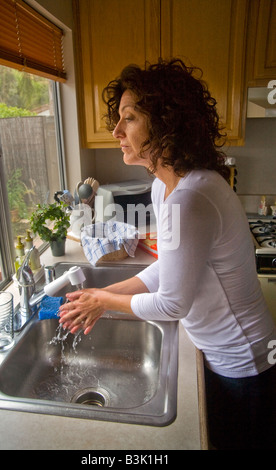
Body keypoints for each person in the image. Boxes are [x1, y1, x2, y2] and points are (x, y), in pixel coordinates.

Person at [59, 58, 276, 449]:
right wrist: (102, 300)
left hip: (243, 364)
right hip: (220, 352)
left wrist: (103, 299)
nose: (116, 131)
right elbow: (166, 269)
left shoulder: (189, 198)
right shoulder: (166, 186)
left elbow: (173, 302)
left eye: (130, 118)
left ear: (164, 123)